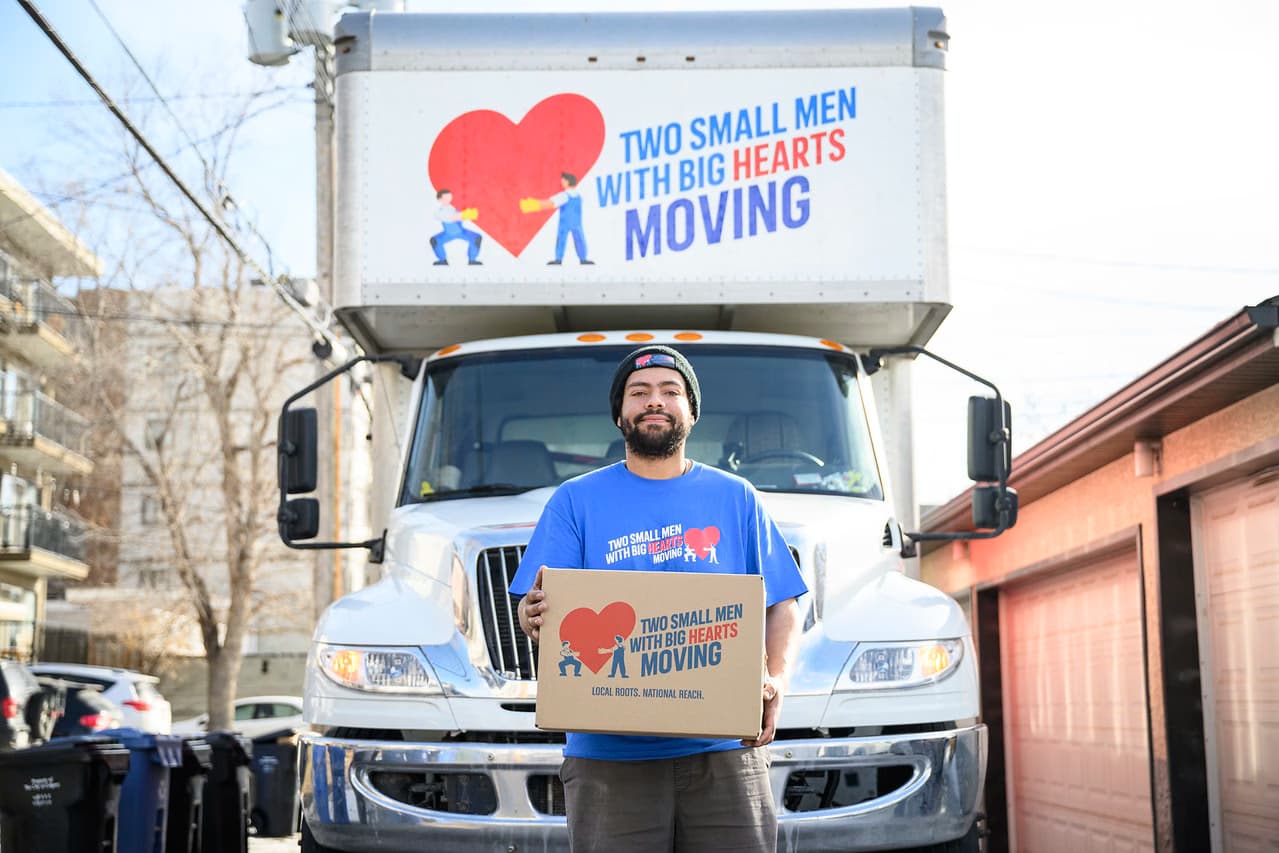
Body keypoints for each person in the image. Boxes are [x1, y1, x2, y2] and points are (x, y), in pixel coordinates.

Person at [509, 345, 806, 853]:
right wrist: (530, 614)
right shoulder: (575, 501)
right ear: (620, 413)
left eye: (671, 392)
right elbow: (536, 602)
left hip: (725, 750)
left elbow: (782, 603)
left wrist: (775, 680)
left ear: (690, 411)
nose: (655, 402)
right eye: (639, 392)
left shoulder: (737, 498)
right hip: (608, 756)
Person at [520, 172, 593, 265]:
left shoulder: (564, 195)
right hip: (577, 223)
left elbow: (550, 204)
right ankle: (583, 259)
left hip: (565, 223)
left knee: (562, 239)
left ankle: (559, 259)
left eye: (563, 180)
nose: (561, 182)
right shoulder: (579, 196)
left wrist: (533, 204)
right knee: (580, 239)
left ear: (567, 182)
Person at [430, 188, 482, 265]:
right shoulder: (439, 211)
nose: (448, 199)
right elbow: (452, 217)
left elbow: (460, 215)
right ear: (439, 199)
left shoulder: (453, 207)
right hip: (448, 233)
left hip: (461, 231)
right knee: (434, 240)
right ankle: (443, 260)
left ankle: (472, 260)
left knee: (476, 238)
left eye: (449, 197)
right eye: (446, 198)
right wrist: (466, 214)